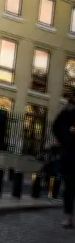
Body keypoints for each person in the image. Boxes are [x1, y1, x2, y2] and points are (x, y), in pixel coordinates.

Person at [53, 96, 75, 228]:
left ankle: (69, 216)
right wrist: (66, 135)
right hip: (70, 155)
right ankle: (68, 215)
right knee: (69, 187)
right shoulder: (66, 113)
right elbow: (56, 127)